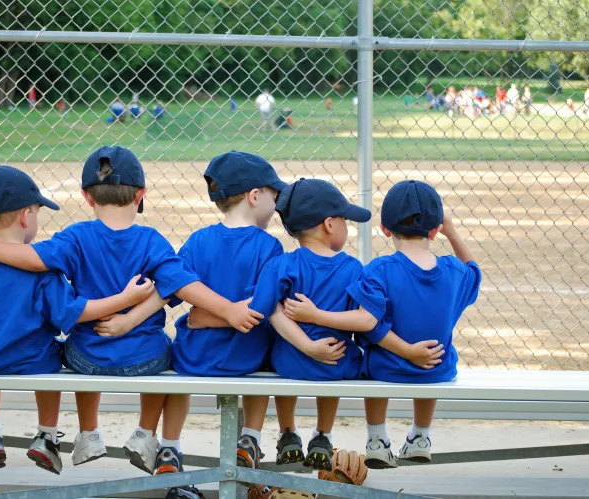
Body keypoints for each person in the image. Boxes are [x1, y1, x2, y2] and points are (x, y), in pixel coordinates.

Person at [0, 146, 264, 475]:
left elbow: (35, 259)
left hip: (86, 359)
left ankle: (89, 434)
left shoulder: (76, 237)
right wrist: (228, 310)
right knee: (168, 348)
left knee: (76, 341)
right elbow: (182, 284)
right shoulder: (151, 240)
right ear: (141, 195)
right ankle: (145, 434)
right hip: (144, 360)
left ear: (87, 197)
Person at [0, 165, 155, 474]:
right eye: (36, 212)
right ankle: (46, 436)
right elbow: (74, 313)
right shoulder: (42, 272)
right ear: (24, 217)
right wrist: (126, 300)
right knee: (55, 351)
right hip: (31, 360)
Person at [248, 179, 441, 471]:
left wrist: (307, 346)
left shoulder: (282, 265)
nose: (347, 226)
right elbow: (365, 321)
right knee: (339, 361)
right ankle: (323, 435)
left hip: (290, 362)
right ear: (329, 224)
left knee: (278, 358)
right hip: (336, 364)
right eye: (345, 220)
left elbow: (269, 310)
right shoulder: (353, 268)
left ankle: (288, 433)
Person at [147, 151, 299, 476]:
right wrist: (231, 315)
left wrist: (204, 317)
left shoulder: (197, 241)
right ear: (255, 196)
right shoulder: (268, 246)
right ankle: (250, 439)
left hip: (195, 357)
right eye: (274, 196)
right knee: (270, 355)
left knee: (177, 369)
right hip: (248, 359)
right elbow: (259, 308)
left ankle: (170, 447)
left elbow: (175, 288)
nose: (277, 206)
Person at [347, 180, 481, 469]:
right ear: (435, 230)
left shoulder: (379, 270)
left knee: (369, 364)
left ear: (385, 229)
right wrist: (453, 232)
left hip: (386, 369)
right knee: (434, 357)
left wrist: (406, 351)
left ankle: (377, 440)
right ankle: (421, 436)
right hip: (437, 371)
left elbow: (370, 326)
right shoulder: (454, 271)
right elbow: (475, 271)